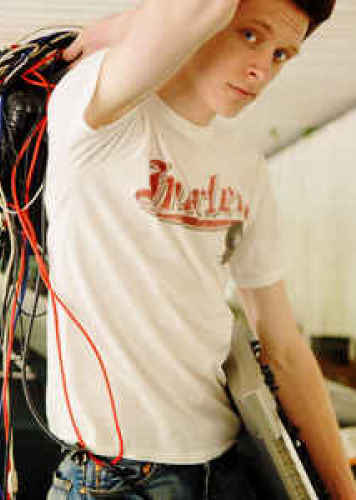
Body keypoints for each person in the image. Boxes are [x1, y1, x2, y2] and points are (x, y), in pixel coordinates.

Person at [43, 0, 355, 498]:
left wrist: (343, 490)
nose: (261, 69)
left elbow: (283, 346)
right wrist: (126, 25)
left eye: (280, 55)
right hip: (117, 480)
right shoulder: (97, 115)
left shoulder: (245, 165)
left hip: (226, 464)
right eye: (250, 35)